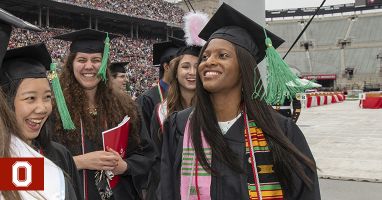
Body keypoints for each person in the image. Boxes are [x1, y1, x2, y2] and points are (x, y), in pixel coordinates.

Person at [159, 3, 320, 200]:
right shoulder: (180, 126)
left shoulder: (279, 131)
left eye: (223, 55)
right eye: (206, 56)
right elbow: (166, 191)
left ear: (244, 67)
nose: (208, 62)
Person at [53, 28, 156, 200]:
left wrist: (125, 166)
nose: (89, 66)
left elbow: (147, 154)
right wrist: (79, 162)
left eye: (96, 60)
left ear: (105, 64)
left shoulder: (125, 107)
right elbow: (40, 159)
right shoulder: (55, 108)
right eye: (81, 60)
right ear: (71, 64)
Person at [0, 10, 77, 200]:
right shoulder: (10, 159)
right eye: (30, 98)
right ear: (6, 103)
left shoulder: (59, 156)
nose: (43, 108)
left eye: (47, 97)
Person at [137, 39, 181, 132]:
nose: (181, 69)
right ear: (166, 67)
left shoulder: (183, 95)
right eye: (177, 64)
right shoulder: (147, 99)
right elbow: (144, 137)